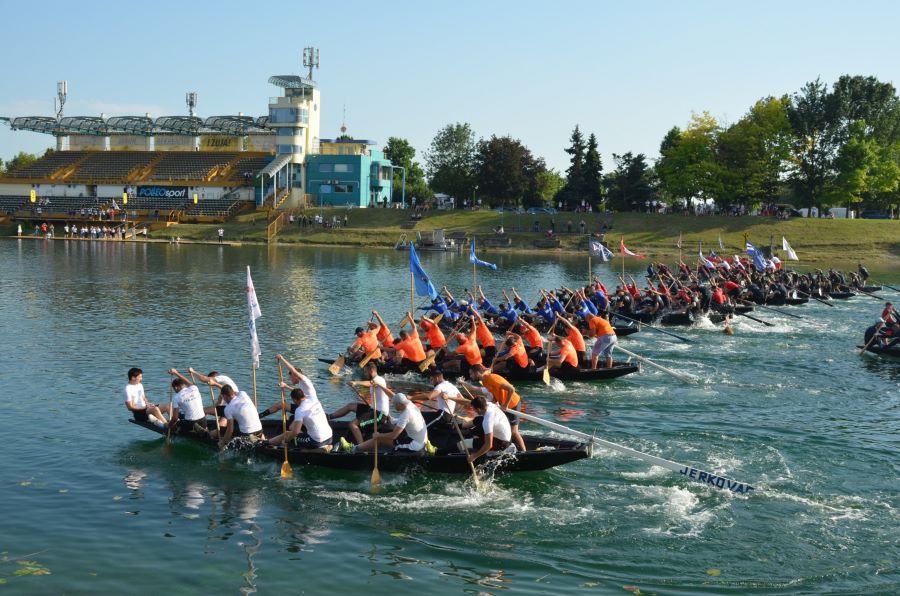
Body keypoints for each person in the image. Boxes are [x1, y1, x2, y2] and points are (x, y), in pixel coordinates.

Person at [265, 367, 332, 451]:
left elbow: (296, 432)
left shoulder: (299, 410)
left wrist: (286, 440)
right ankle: (316, 449)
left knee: (287, 434)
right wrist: (286, 386)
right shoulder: (314, 398)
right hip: (330, 437)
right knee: (296, 432)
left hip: (317, 441)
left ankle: (264, 443)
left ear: (294, 400)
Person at [329, 362, 394, 445]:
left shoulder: (378, 380)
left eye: (366, 372)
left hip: (379, 415)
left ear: (371, 371)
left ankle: (361, 447)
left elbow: (370, 383)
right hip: (373, 409)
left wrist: (356, 382)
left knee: (353, 424)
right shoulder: (376, 380)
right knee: (350, 406)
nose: (365, 374)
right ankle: (329, 417)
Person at [340, 393, 427, 455]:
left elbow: (394, 435)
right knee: (388, 433)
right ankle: (358, 447)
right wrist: (391, 418)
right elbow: (403, 421)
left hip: (414, 445)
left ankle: (352, 449)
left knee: (379, 438)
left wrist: (379, 435)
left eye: (395, 405)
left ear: (400, 404)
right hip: (420, 440)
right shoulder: (411, 405)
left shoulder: (406, 414)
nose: (394, 406)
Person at [466, 364, 526, 452]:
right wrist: (492, 403)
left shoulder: (491, 379)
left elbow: (511, 389)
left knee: (514, 431)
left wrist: (505, 405)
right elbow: (495, 393)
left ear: (477, 373)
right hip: (504, 404)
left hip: (513, 403)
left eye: (471, 374)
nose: (470, 376)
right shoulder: (485, 381)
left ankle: (524, 451)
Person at [466, 395, 513, 463]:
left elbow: (488, 445)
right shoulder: (489, 404)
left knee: (464, 443)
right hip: (506, 434)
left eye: (474, 409)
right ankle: (463, 427)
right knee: (478, 419)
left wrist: (474, 456)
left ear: (478, 409)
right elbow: (468, 402)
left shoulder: (487, 421)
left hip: (502, 443)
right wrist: (451, 398)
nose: (474, 411)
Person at [166, 368, 209, 434]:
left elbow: (175, 418)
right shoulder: (194, 388)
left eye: (174, 389)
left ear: (176, 387)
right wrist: (176, 373)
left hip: (190, 423)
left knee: (175, 424)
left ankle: (193, 428)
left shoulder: (176, 397)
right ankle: (202, 429)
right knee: (182, 415)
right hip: (203, 420)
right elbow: (186, 381)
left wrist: (169, 425)